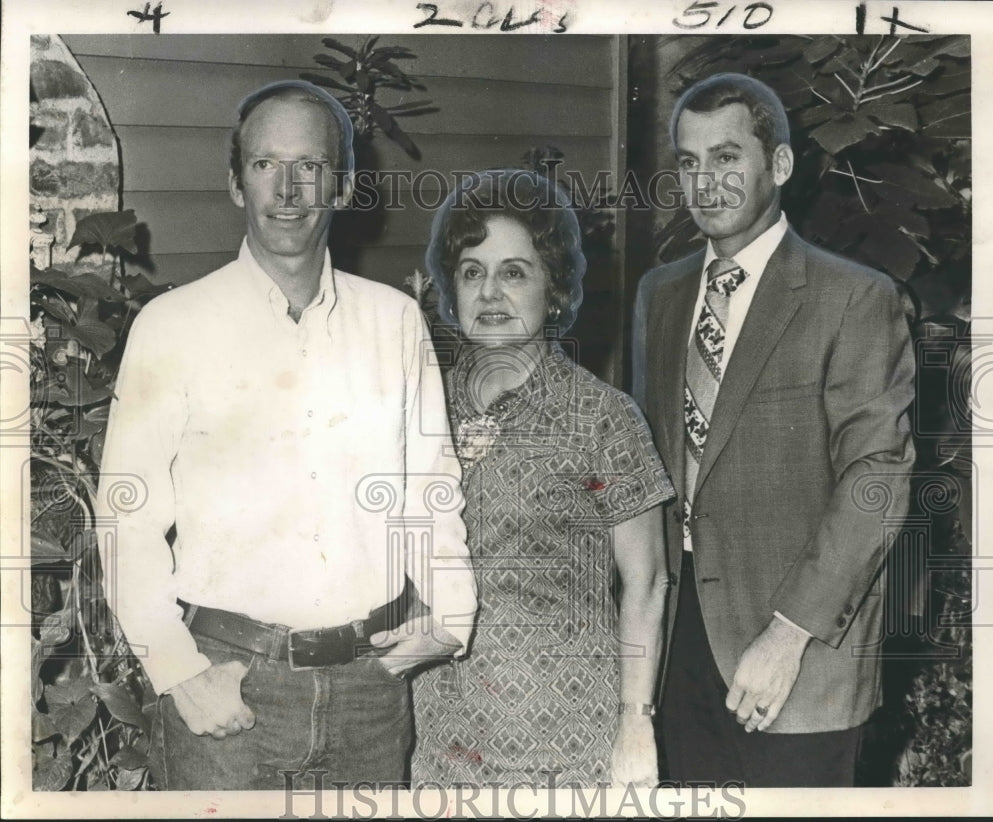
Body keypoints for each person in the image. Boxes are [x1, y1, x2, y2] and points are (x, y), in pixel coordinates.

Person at [95, 80, 477, 790]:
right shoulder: (173, 327)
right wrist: (178, 671)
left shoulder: (392, 321)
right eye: (266, 164)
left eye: (311, 166)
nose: (289, 188)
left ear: (344, 184)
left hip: (370, 689)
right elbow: (126, 516)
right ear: (236, 183)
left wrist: (450, 611)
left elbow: (432, 484)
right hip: (229, 684)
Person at [632, 73, 916, 787]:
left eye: (726, 157)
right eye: (689, 163)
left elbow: (875, 480)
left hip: (800, 657)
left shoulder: (854, 298)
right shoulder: (659, 295)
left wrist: (789, 633)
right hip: (678, 651)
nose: (705, 182)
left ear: (780, 166)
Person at [410, 169, 675, 788]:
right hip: (441, 740)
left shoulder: (602, 417)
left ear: (552, 288)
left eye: (514, 271)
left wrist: (636, 722)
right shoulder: (421, 409)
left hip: (566, 744)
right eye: (472, 271)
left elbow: (648, 581)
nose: (490, 292)